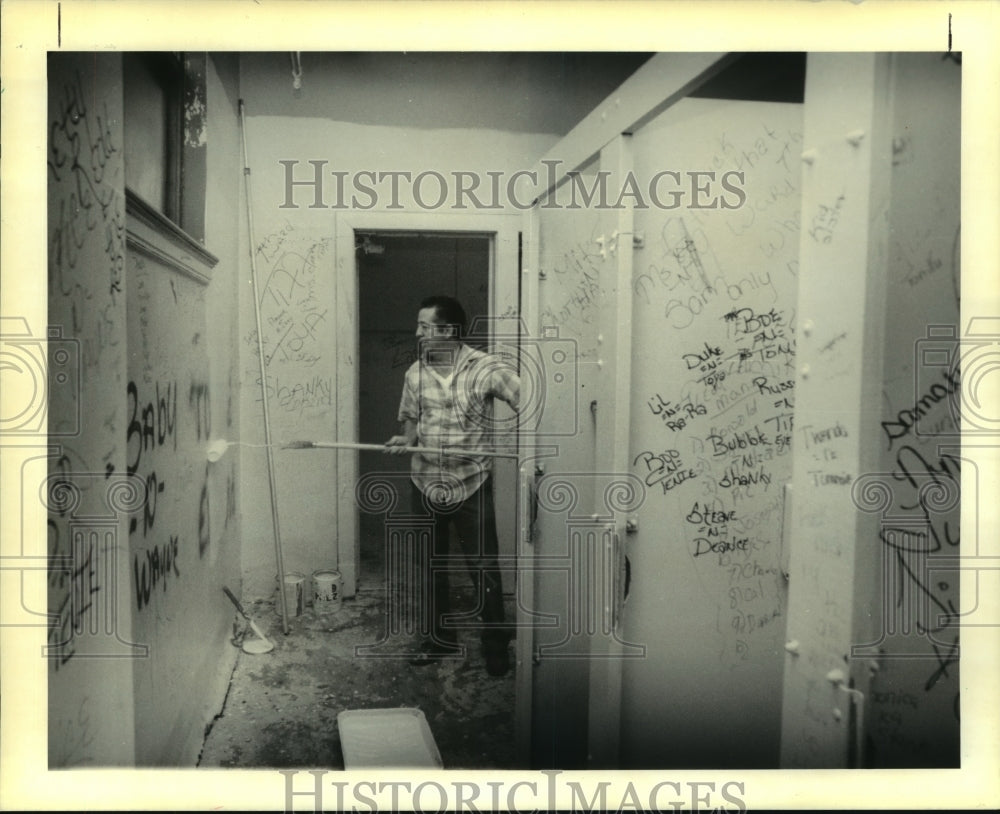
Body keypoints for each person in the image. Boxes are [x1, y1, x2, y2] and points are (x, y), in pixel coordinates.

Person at [384, 295, 519, 676]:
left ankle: (496, 644)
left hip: (471, 483)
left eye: (424, 327)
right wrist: (406, 439)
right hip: (425, 482)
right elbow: (411, 418)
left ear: (448, 331)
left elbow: (531, 401)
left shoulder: (486, 369)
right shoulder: (415, 373)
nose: (417, 333)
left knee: (484, 566)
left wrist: (528, 444)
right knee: (429, 565)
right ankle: (438, 639)